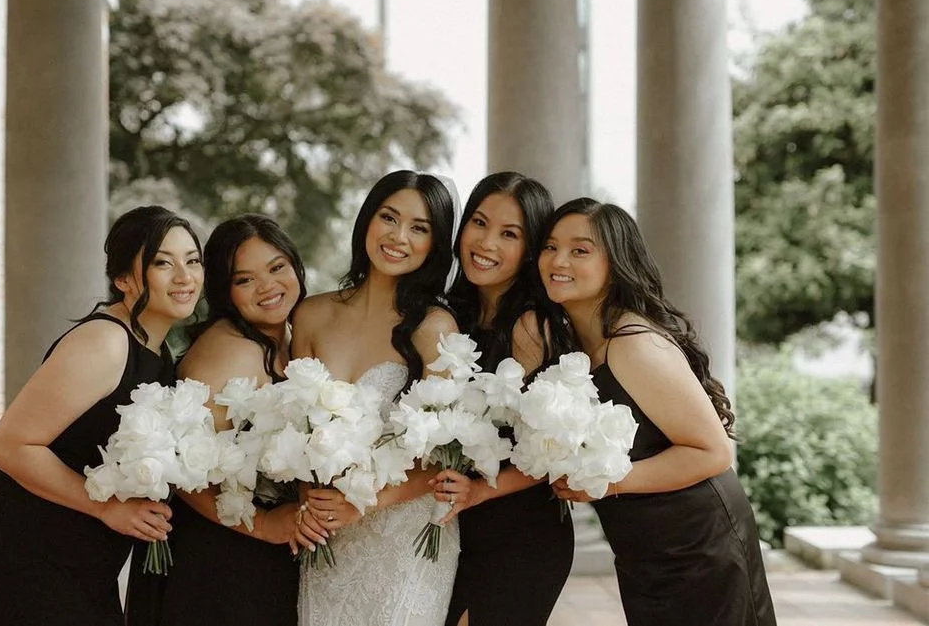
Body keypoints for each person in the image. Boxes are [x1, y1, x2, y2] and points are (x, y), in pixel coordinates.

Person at [0, 206, 205, 626]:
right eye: (162, 262)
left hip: (89, 561)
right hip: (29, 552)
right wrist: (107, 507)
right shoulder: (106, 341)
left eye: (192, 260)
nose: (184, 276)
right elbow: (7, 445)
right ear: (123, 280)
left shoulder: (160, 354)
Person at [541, 197, 776, 626]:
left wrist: (602, 483)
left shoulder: (632, 342)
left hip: (698, 544)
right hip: (645, 548)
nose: (559, 260)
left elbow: (713, 452)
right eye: (550, 246)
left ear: (615, 263)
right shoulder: (576, 346)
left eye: (580, 250)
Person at [291, 170, 464, 626]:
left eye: (419, 228)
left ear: (435, 243)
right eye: (388, 217)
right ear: (366, 221)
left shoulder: (436, 329)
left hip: (405, 534)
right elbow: (291, 429)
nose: (398, 236)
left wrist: (361, 503)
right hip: (327, 535)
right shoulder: (311, 315)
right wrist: (308, 496)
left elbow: (445, 457)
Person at [126, 215, 309, 626]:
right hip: (218, 560)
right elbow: (180, 470)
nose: (267, 287)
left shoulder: (289, 338)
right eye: (244, 279)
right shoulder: (230, 350)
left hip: (259, 553)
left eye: (277, 268)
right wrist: (263, 524)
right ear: (225, 291)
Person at [436, 172, 576, 626]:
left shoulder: (533, 326)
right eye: (479, 222)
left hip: (521, 532)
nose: (487, 242)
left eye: (509, 234)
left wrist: (480, 488)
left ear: (531, 249)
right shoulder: (450, 314)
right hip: (458, 529)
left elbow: (555, 449)